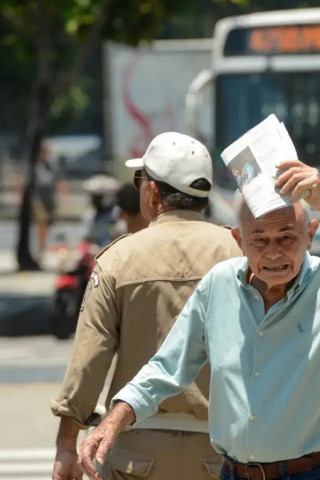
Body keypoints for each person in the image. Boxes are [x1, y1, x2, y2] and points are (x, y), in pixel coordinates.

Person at [77, 159, 320, 480]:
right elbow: (167, 367)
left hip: (317, 472)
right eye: (259, 240)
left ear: (311, 235)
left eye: (287, 237)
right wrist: (113, 421)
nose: (273, 253)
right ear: (239, 240)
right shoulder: (219, 283)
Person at [50, 132, 243, 480]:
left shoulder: (118, 259)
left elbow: (88, 360)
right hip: (224, 450)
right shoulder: (240, 253)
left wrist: (66, 445)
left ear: (152, 192)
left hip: (135, 451)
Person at [31, 141, 69, 258]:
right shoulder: (35, 165)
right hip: (38, 199)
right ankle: (40, 249)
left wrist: (64, 197)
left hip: (50, 199)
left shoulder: (53, 166)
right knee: (42, 222)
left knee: (47, 224)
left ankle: (43, 246)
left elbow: (59, 181)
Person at [80, 174, 120, 247]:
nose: (95, 200)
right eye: (94, 197)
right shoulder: (90, 215)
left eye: (98, 197)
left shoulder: (116, 213)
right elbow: (86, 236)